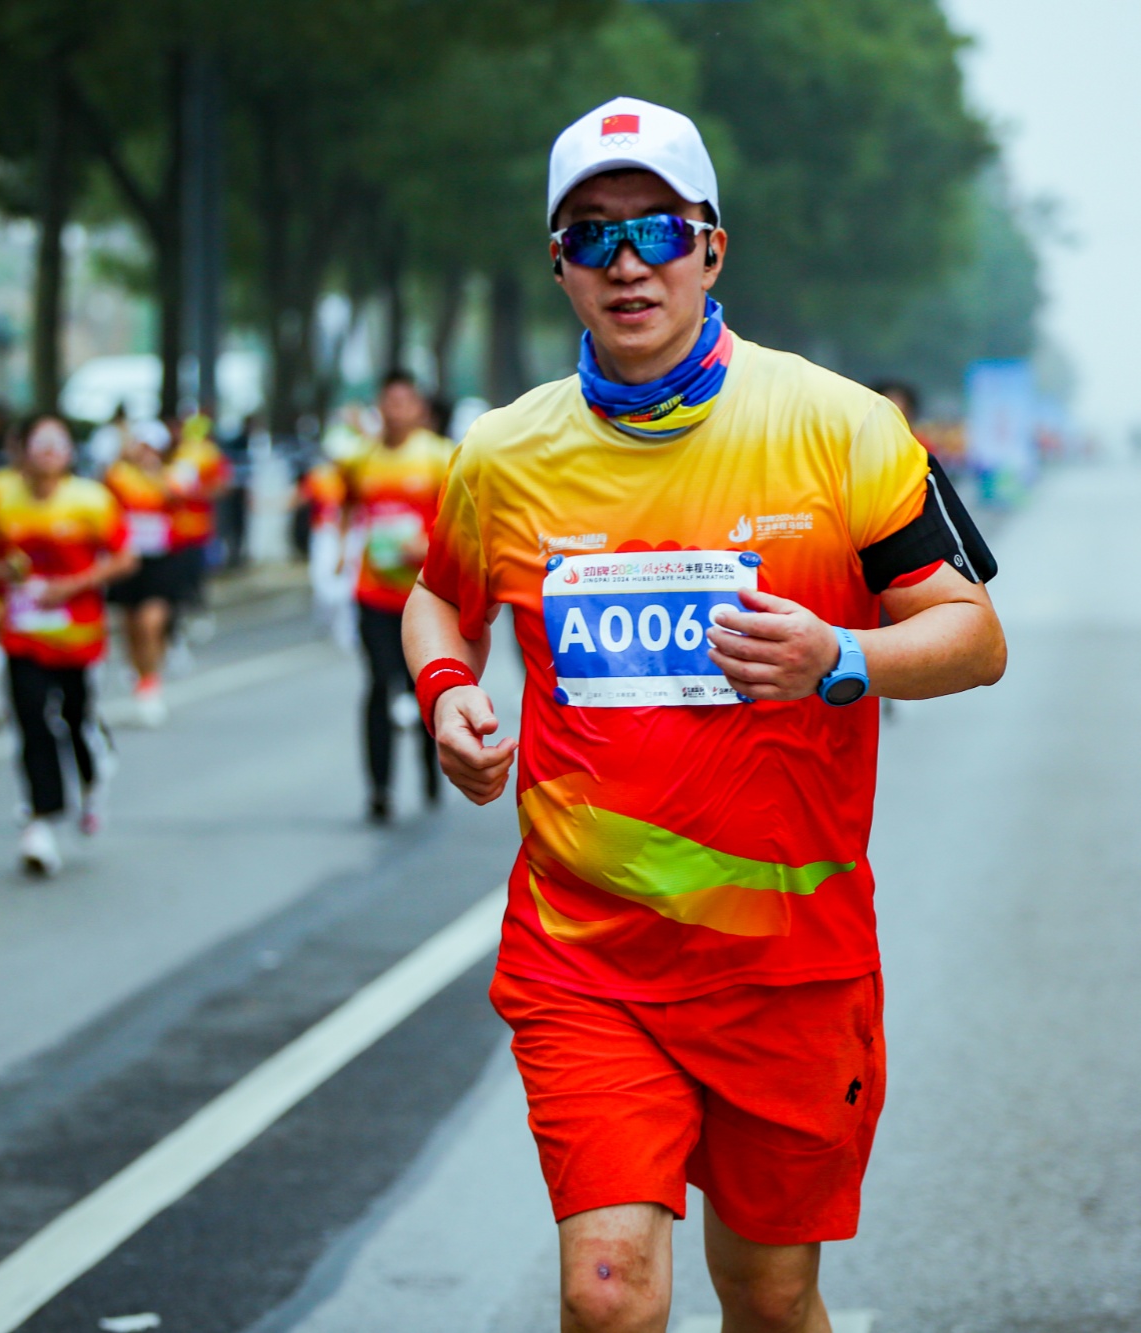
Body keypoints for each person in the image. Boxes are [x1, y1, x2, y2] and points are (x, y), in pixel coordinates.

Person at [402, 98, 1006, 1333]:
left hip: (788, 968)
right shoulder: (505, 455)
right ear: (559, 265)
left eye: (656, 230)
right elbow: (435, 604)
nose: (627, 263)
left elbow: (973, 636)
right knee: (606, 1291)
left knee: (771, 1299)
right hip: (589, 961)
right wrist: (449, 692)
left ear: (711, 247)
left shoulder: (840, 428)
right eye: (591, 236)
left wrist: (840, 654)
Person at [0, 414, 136, 876]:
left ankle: (93, 779)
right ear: (22, 450)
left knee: (74, 719)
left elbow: (126, 558)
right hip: (23, 634)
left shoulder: (92, 500)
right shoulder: (2, 500)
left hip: (79, 637)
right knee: (31, 721)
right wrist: (3, 584)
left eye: (58, 443)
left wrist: (72, 585)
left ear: (70, 452)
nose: (49, 452)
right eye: (39, 443)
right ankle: (41, 821)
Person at [341, 371, 454, 822]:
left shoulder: (438, 458)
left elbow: (460, 521)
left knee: (422, 688)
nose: (396, 410)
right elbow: (349, 505)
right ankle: (379, 789)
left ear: (419, 409)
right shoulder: (361, 459)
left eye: (405, 402)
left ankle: (430, 767)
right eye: (389, 401)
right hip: (372, 591)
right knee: (377, 686)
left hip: (424, 598)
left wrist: (430, 546)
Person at [104, 419, 186, 726]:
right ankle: (140, 673)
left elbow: (182, 499)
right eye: (143, 446)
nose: (147, 453)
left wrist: (157, 476)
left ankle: (150, 682)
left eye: (153, 447)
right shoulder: (120, 476)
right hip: (128, 560)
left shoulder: (174, 475)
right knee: (130, 626)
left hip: (161, 559)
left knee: (151, 622)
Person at [164, 409, 232, 620]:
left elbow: (221, 485)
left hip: (196, 522)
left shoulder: (207, 453)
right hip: (174, 525)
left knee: (194, 566)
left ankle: (193, 602)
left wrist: (195, 493)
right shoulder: (174, 452)